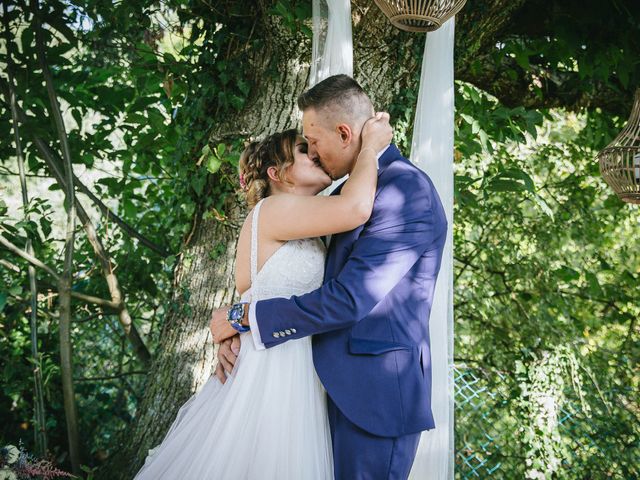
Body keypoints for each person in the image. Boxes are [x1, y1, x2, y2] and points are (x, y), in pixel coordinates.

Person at [211, 74, 448, 480]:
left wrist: (247, 318)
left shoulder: (406, 190)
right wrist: (237, 323)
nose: (314, 154)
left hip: (373, 397)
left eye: (313, 142)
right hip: (318, 389)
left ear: (343, 132)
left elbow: (351, 297)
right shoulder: (346, 193)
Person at [134, 112, 393, 479]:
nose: (316, 154)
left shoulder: (304, 220)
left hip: (293, 361)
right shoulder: (273, 210)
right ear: (278, 173)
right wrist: (371, 148)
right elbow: (355, 208)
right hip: (274, 368)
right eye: (304, 151)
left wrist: (235, 318)